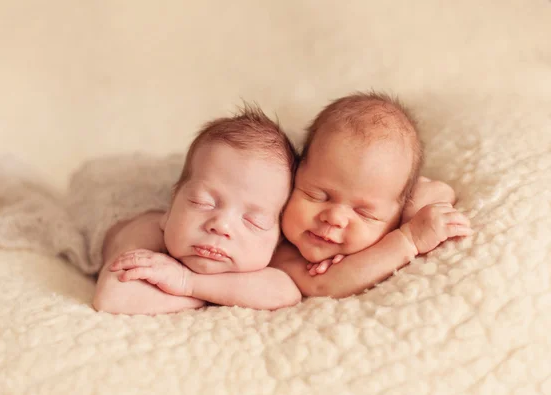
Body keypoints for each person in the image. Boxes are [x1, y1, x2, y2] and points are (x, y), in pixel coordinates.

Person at [115, 92, 471, 303]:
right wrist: (407, 240)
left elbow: (437, 192)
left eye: (365, 212)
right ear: (296, 175)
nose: (334, 219)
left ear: (394, 212)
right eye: (318, 194)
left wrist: (405, 222)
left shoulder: (391, 212)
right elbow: (321, 284)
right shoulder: (281, 244)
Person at [93, 105, 302, 315]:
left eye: (254, 221)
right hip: (111, 201)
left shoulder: (255, 253)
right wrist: (225, 294)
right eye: (202, 203)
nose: (221, 225)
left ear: (277, 241)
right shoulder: (146, 233)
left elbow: (285, 293)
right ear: (171, 210)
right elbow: (112, 297)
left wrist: (188, 283)